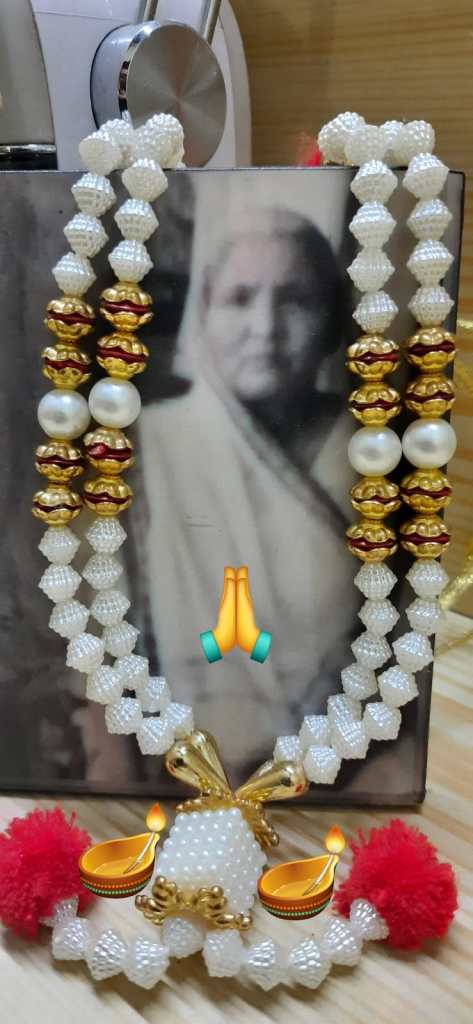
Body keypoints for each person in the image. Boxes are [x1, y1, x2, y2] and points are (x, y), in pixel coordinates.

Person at [134, 205, 358, 778]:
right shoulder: (153, 445)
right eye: (239, 298)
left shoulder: (372, 449)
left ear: (333, 322)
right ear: (203, 313)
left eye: (295, 299)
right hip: (177, 765)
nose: (266, 327)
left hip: (342, 762)